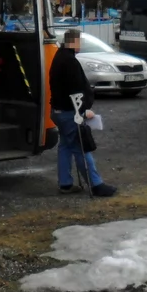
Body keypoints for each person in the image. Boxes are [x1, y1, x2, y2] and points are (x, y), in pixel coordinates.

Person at [49, 29, 117, 197]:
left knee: (65, 146)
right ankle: (96, 184)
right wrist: (83, 111)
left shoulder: (59, 57)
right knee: (81, 146)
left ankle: (65, 183)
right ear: (74, 42)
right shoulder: (70, 61)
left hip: (58, 110)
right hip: (69, 112)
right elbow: (75, 90)